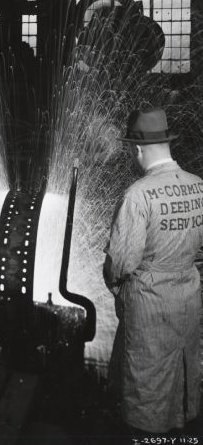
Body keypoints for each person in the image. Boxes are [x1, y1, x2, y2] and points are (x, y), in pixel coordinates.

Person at [103, 106, 202, 435]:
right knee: (182, 382)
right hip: (189, 303)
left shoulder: (137, 196)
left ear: (138, 148)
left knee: (146, 394)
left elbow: (120, 264)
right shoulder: (199, 187)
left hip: (148, 312)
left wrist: (123, 292)